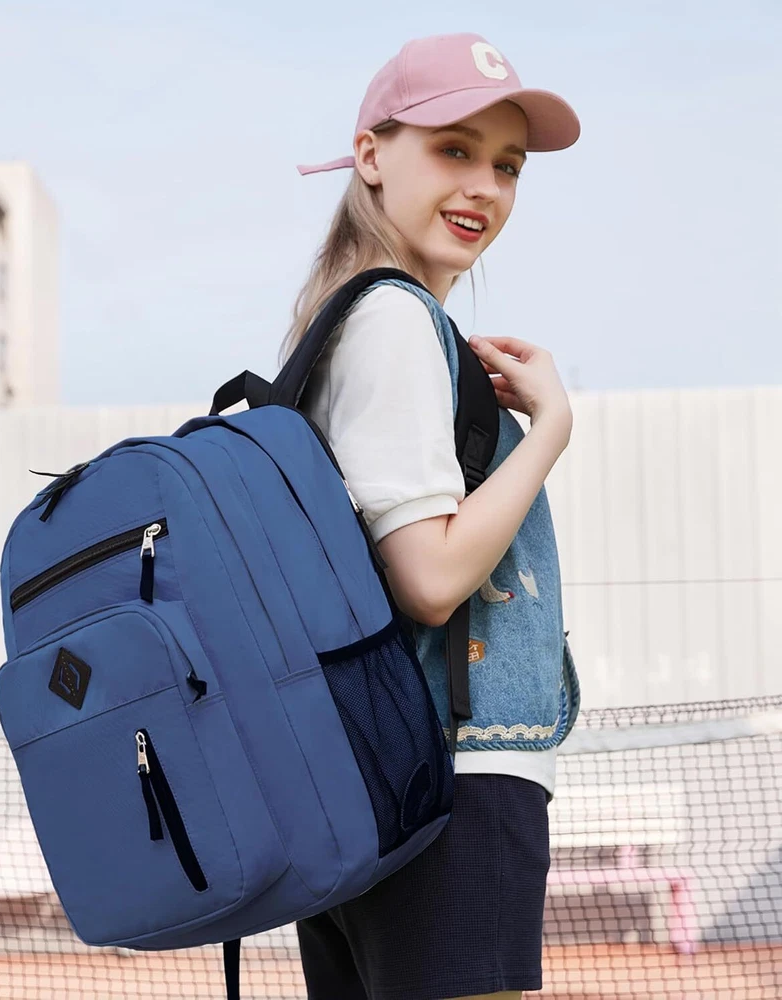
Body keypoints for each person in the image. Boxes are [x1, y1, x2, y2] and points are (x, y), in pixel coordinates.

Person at [288, 32, 582, 1000]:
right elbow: (431, 577)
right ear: (370, 154)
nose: (484, 188)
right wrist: (550, 429)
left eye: (507, 165)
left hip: (368, 776)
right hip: (454, 779)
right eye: (454, 149)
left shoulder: (342, 319)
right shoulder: (393, 321)